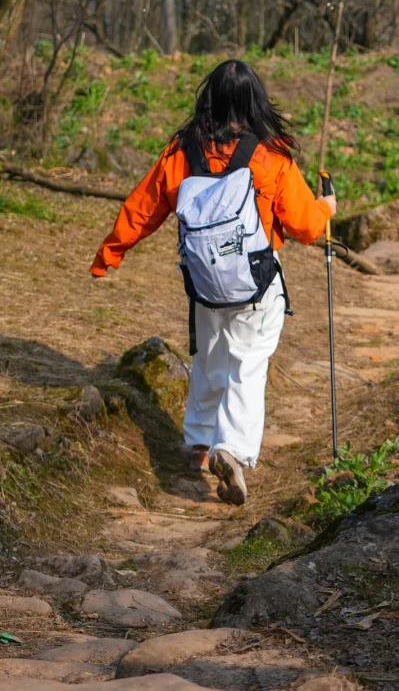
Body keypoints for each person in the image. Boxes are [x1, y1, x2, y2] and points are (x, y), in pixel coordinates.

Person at [91, 59, 334, 505]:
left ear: (210, 99)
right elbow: (306, 227)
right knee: (247, 363)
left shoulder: (182, 151)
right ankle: (233, 450)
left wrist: (110, 254)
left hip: (203, 281)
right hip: (255, 283)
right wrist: (326, 209)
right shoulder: (271, 155)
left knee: (208, 357)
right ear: (255, 101)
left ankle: (200, 444)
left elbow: (142, 208)